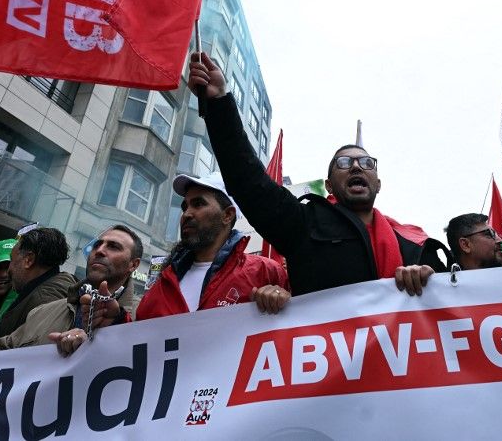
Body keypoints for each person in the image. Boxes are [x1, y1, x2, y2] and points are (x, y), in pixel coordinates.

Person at [188, 52, 446, 297]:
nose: (356, 167)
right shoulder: (303, 224)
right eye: (344, 163)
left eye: (366, 163)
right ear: (329, 185)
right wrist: (218, 103)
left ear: (378, 183)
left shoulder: (414, 242)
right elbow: (248, 181)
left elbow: (453, 304)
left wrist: (429, 280)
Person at [0, 225, 142, 366]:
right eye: (97, 245)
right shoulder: (42, 312)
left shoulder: (144, 316)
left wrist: (101, 340)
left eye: (113, 247)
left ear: (133, 265)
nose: (99, 251)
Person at [135, 173, 289, 320]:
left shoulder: (266, 272)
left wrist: (285, 301)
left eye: (198, 204)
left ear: (227, 215)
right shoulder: (163, 283)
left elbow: (302, 324)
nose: (186, 214)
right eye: (185, 207)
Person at [0, 226, 76, 345]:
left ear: (28, 260)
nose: (9, 270)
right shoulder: (47, 292)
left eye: (12, 260)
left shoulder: (44, 300)